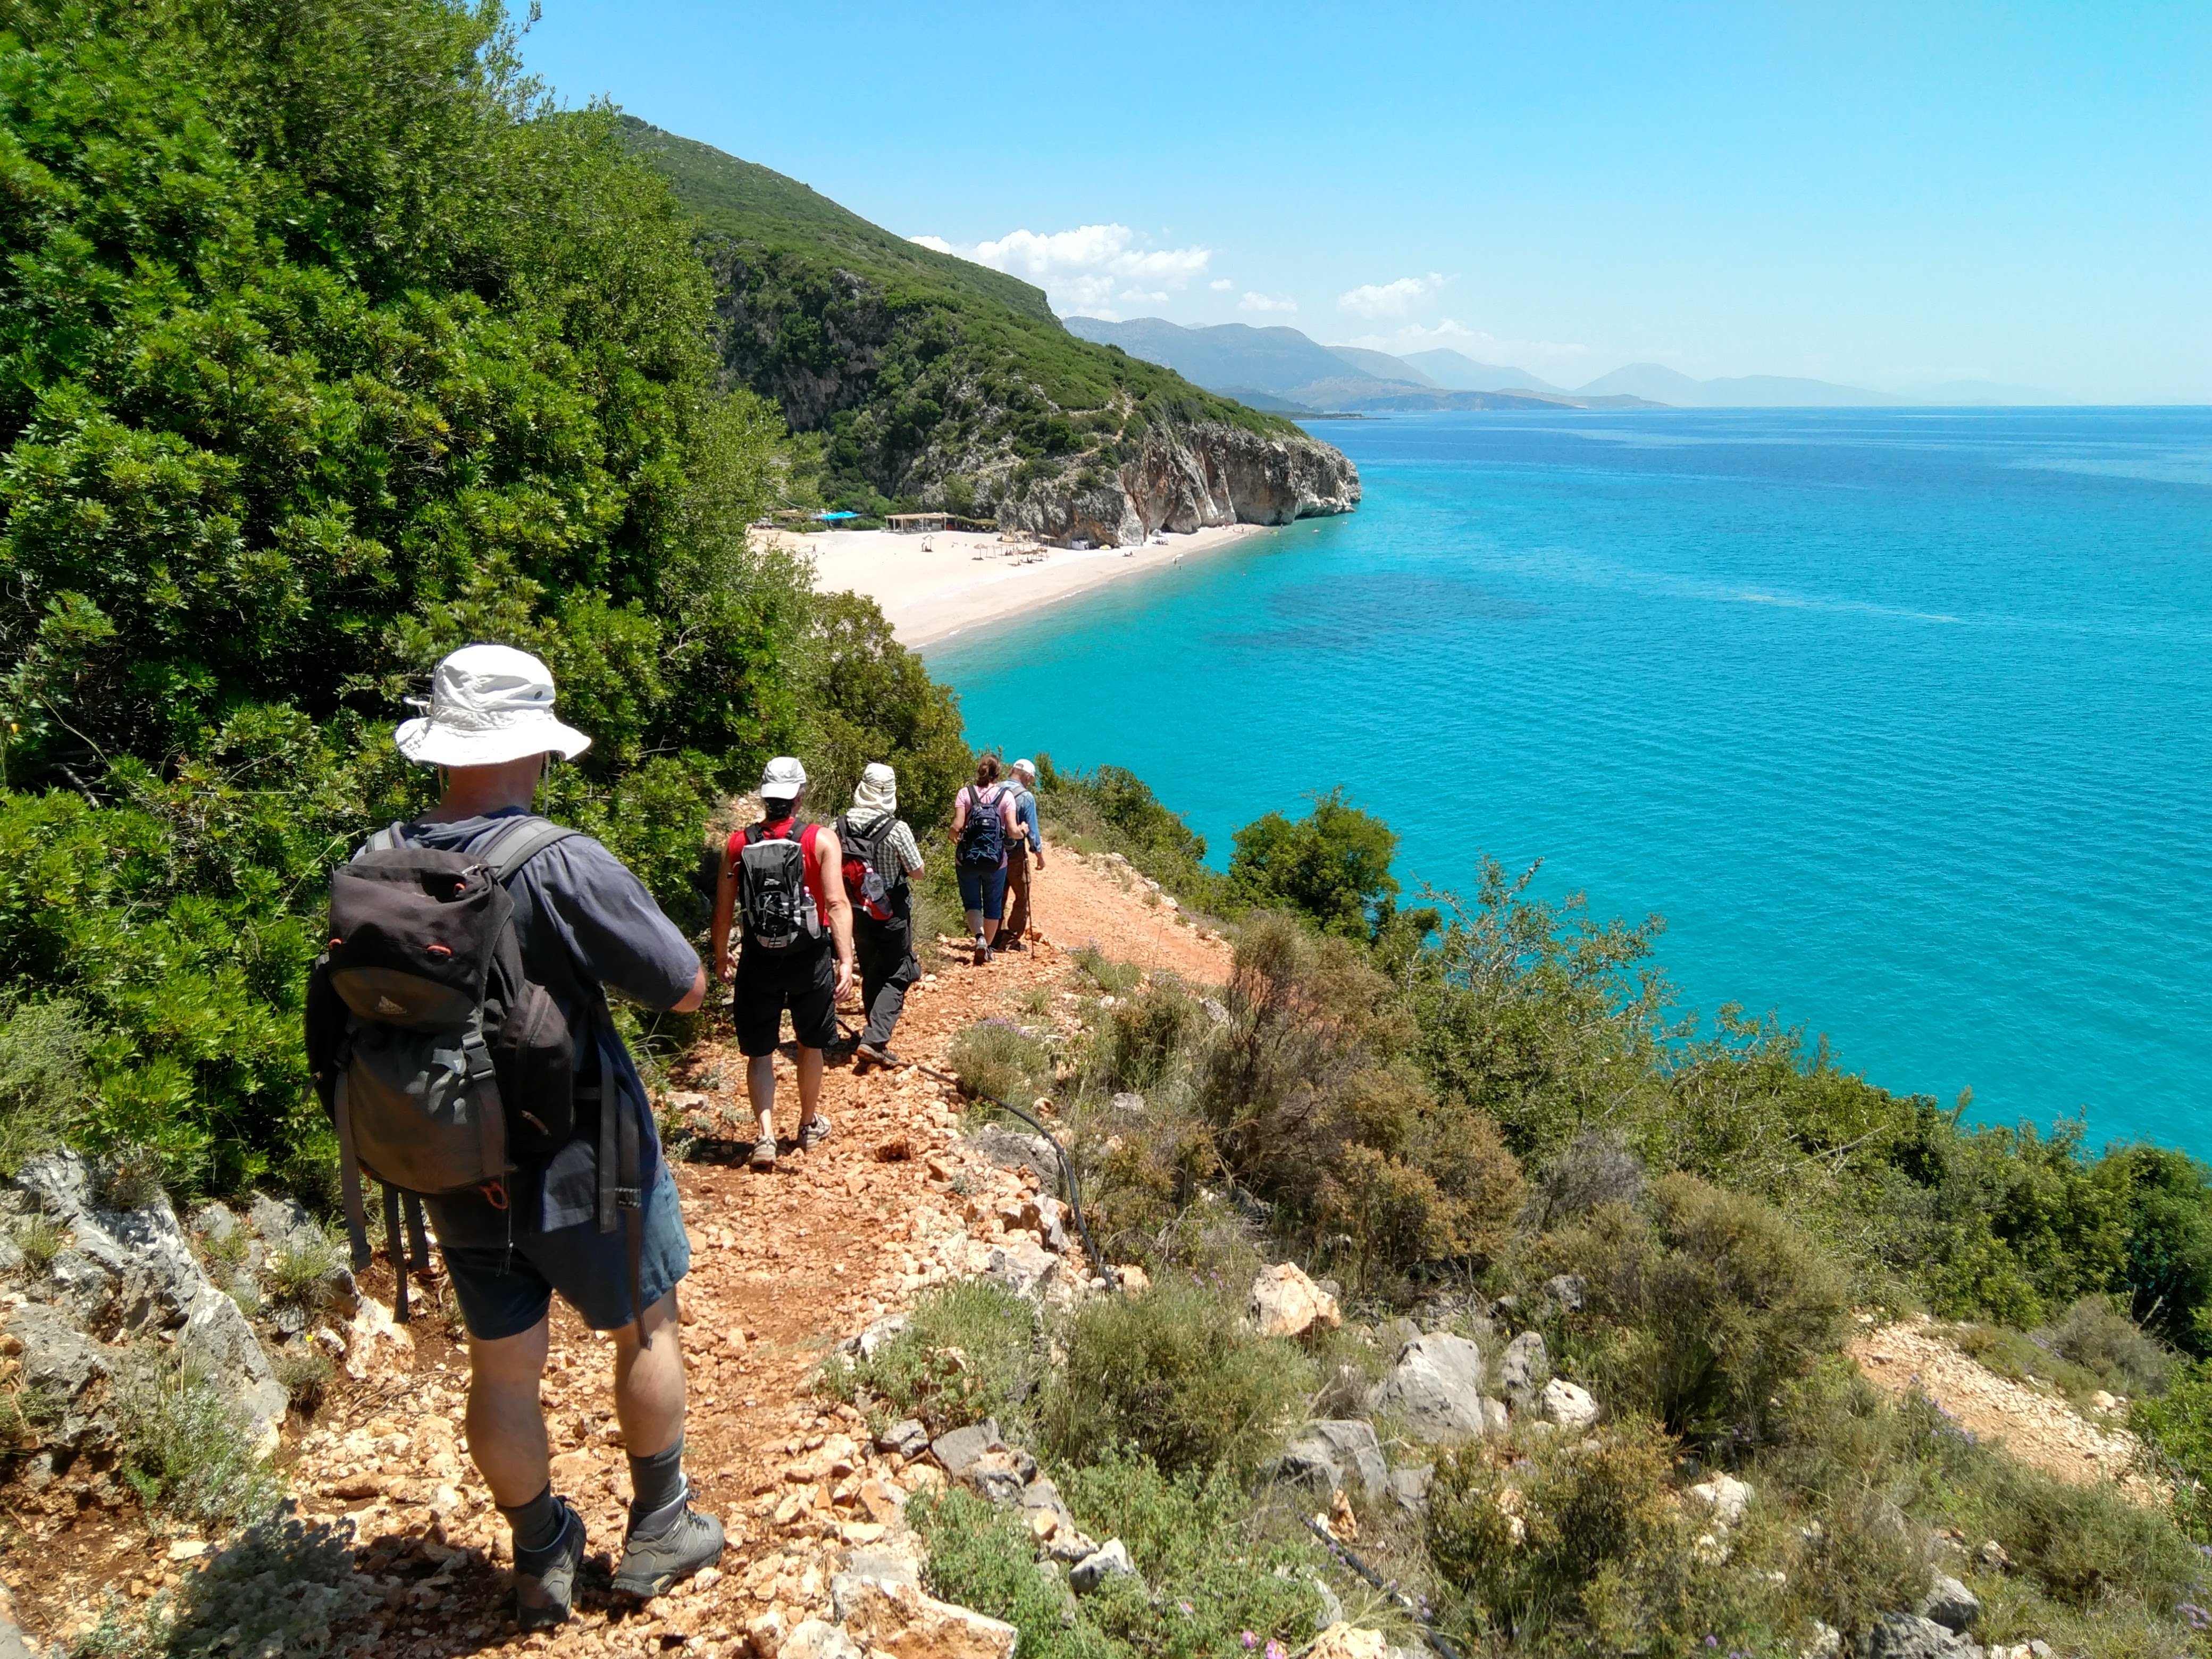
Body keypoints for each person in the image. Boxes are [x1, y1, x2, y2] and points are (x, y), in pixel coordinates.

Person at [373, 644, 721, 1628]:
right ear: (537, 745)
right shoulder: (556, 857)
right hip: (583, 1157)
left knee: (503, 1368)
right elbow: (684, 984)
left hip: (447, 1156)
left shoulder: (379, 858)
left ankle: (541, 1549)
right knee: (646, 1323)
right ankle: (661, 1527)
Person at [711, 757, 855, 1172]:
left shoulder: (738, 844)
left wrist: (722, 956)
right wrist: (845, 960)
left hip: (758, 958)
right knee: (810, 1044)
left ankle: (765, 1136)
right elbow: (836, 903)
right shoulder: (821, 839)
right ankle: (808, 1125)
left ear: (765, 795)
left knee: (760, 1051)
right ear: (799, 795)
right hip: (809, 956)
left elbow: (723, 912)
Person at [836, 762, 927, 1070]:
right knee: (900, 971)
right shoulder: (896, 828)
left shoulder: (842, 824)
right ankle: (874, 1040)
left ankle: (872, 1034)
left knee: (872, 968)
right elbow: (918, 872)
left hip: (855, 909)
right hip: (891, 911)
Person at [950, 755, 1023, 965]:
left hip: (967, 859)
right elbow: (1012, 831)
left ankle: (979, 938)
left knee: (972, 902)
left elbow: (957, 827)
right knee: (993, 906)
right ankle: (988, 949)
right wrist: (1023, 831)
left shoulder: (965, 793)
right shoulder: (1006, 796)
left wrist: (952, 836)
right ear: (998, 774)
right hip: (996, 861)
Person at [1000, 758, 1047, 950]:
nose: (1030, 783)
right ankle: (1011, 939)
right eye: (1030, 780)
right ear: (1027, 776)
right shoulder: (1026, 797)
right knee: (1022, 895)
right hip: (1015, 854)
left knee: (997, 894)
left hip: (993, 853)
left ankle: (994, 934)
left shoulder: (995, 789)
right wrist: (1040, 856)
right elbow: (1033, 833)